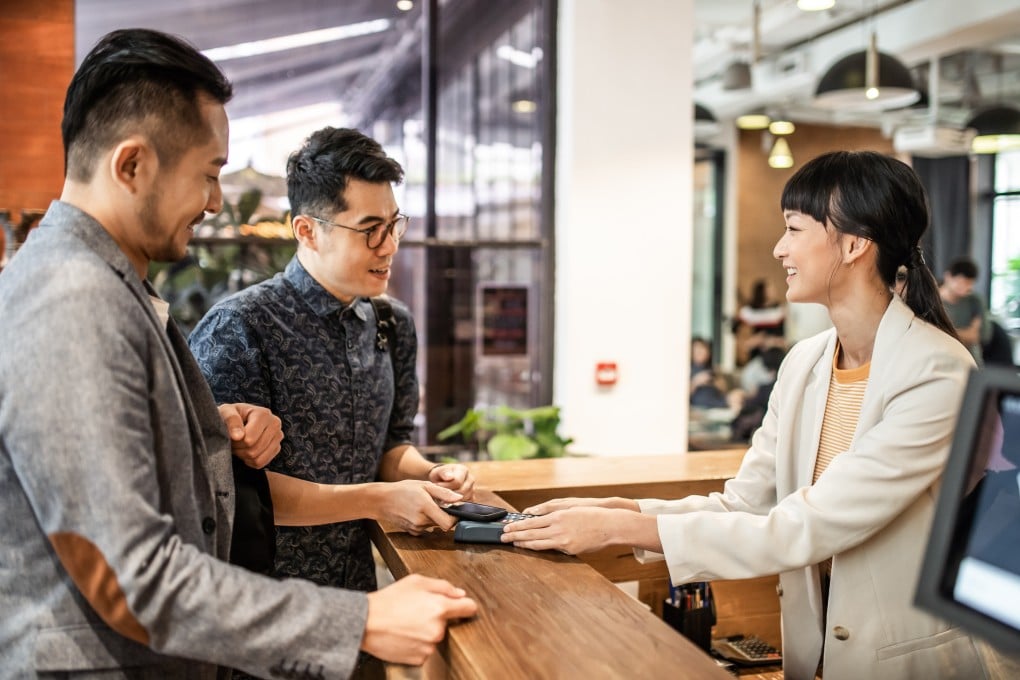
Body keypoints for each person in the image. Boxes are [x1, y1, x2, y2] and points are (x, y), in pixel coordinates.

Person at [0, 28, 476, 678]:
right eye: (209, 173)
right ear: (132, 164)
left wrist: (209, 434)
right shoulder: (72, 298)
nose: (217, 202)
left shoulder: (102, 283)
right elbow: (130, 575)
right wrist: (360, 620)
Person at [503, 151, 1000, 679]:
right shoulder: (804, 362)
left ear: (854, 244)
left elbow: (808, 524)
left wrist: (618, 527)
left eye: (793, 229)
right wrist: (624, 512)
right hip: (818, 657)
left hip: (909, 661)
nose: (779, 248)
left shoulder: (938, 371)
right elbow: (746, 504)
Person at [188, 127, 476, 595]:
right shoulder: (240, 327)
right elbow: (229, 492)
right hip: (264, 604)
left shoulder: (391, 323)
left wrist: (427, 474)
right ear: (307, 230)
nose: (389, 246)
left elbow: (390, 448)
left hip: (360, 593)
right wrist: (379, 499)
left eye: (394, 224)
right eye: (369, 230)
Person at [939, 256, 991, 365]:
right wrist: (968, 333)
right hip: (941, 358)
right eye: (960, 282)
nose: (964, 287)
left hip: (970, 361)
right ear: (948, 276)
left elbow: (983, 335)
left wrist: (944, 332)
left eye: (969, 283)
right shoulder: (931, 299)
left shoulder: (975, 301)